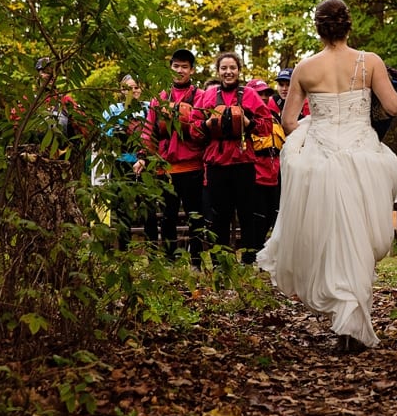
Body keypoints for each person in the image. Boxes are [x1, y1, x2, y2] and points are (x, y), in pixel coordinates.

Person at [257, 0, 397, 352]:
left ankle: (346, 322)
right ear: (348, 25)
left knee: (335, 239)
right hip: (362, 158)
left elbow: (288, 123)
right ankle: (350, 324)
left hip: (321, 160)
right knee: (360, 238)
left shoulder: (305, 68)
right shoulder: (370, 62)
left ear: (318, 28)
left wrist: (315, 125)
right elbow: (393, 106)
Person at [193, 52, 273, 264]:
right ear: (218, 71)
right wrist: (207, 124)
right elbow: (193, 127)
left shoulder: (249, 95)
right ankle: (222, 264)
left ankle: (248, 260)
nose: (228, 72)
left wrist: (248, 122)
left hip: (243, 162)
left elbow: (267, 126)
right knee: (220, 216)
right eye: (224, 68)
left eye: (232, 68)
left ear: (239, 70)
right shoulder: (208, 96)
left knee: (247, 215)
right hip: (217, 164)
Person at [139, 49, 206, 264]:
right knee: (168, 216)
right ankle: (169, 261)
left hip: (192, 166)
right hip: (164, 167)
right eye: (176, 66)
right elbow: (149, 130)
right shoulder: (159, 98)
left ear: (191, 70)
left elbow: (205, 129)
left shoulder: (201, 96)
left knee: (194, 215)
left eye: (184, 67)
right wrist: (143, 156)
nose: (180, 70)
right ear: (170, 68)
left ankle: (195, 260)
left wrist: (185, 121)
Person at [102, 74, 157, 250]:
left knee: (149, 209)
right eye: (128, 87)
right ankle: (123, 251)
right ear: (121, 90)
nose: (133, 91)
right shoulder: (113, 110)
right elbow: (105, 134)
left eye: (136, 87)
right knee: (121, 208)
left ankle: (152, 252)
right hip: (121, 163)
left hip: (145, 163)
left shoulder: (149, 108)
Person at [246, 78, 285, 243]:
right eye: (259, 93)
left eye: (266, 93)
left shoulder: (275, 117)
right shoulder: (244, 117)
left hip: (274, 174)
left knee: (273, 216)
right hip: (254, 175)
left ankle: (263, 253)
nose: (263, 97)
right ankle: (252, 254)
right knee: (257, 217)